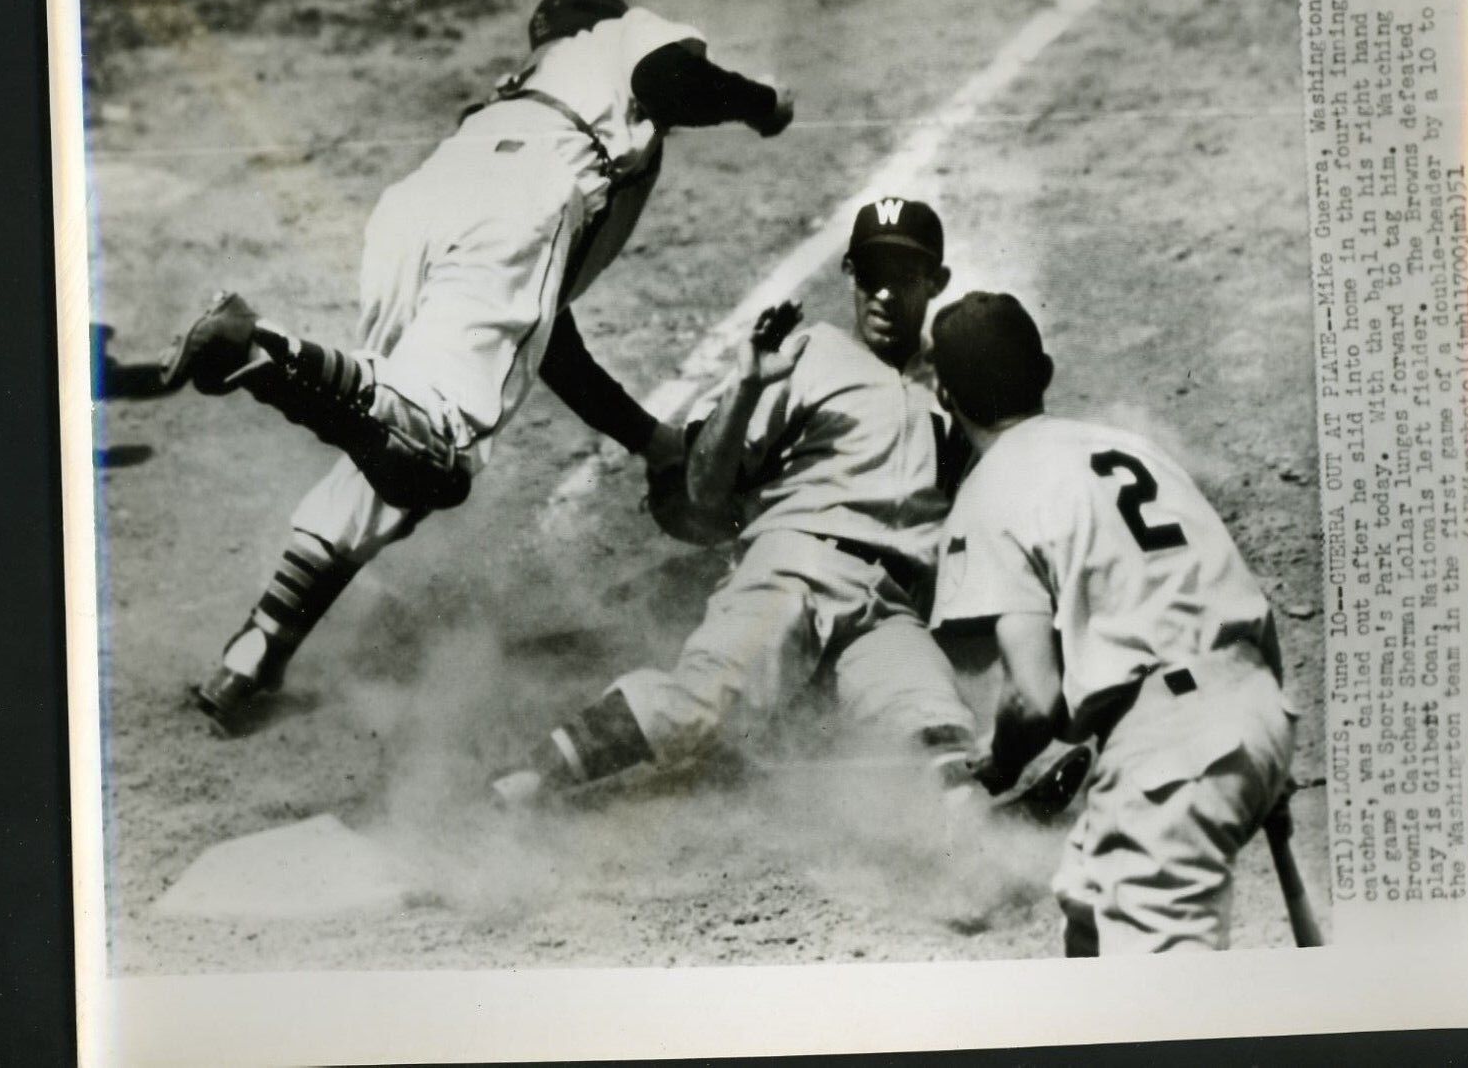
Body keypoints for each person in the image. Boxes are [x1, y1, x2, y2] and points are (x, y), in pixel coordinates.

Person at [162, 0, 794, 734]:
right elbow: (670, 80)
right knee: (438, 448)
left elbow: (549, 343)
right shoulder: (617, 41)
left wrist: (651, 442)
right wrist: (763, 104)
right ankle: (263, 348)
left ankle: (254, 652)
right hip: (524, 192)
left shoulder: (516, 94)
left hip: (418, 206)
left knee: (395, 444)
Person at [492, 199, 1088, 810]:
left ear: (935, 283)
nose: (883, 294)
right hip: (793, 570)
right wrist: (748, 387)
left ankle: (979, 842)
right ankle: (514, 790)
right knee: (694, 711)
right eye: (869, 274)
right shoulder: (808, 354)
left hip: (889, 610)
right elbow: (704, 491)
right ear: (851, 276)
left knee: (936, 726)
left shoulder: (956, 390)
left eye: (904, 278)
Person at [926, 291, 1297, 954]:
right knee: (1087, 910)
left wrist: (998, 767)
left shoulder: (989, 491)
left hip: (1173, 752)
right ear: (1043, 373)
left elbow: (1033, 698)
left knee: (1161, 1020)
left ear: (945, 396)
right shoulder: (1130, 449)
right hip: (1258, 711)